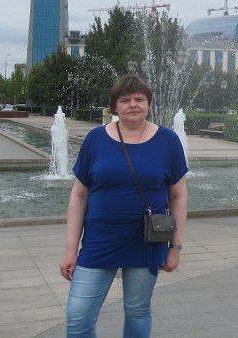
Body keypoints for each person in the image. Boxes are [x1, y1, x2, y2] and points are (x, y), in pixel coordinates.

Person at [60, 74, 188, 337]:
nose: (133, 104)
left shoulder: (168, 141)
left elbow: (178, 196)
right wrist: (71, 250)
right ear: (114, 107)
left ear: (148, 104)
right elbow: (79, 195)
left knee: (137, 310)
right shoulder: (96, 139)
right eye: (125, 100)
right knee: (78, 316)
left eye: (139, 99)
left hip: (146, 241)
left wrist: (175, 248)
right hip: (99, 241)